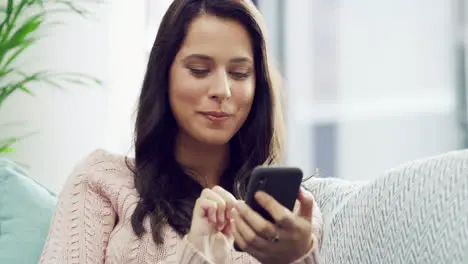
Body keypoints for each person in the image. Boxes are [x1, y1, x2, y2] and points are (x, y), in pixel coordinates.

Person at [39, 0, 323, 263]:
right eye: (199, 70)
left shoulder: (291, 217)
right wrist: (197, 254)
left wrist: (300, 259)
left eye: (239, 74)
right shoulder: (100, 181)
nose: (222, 90)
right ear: (164, 75)